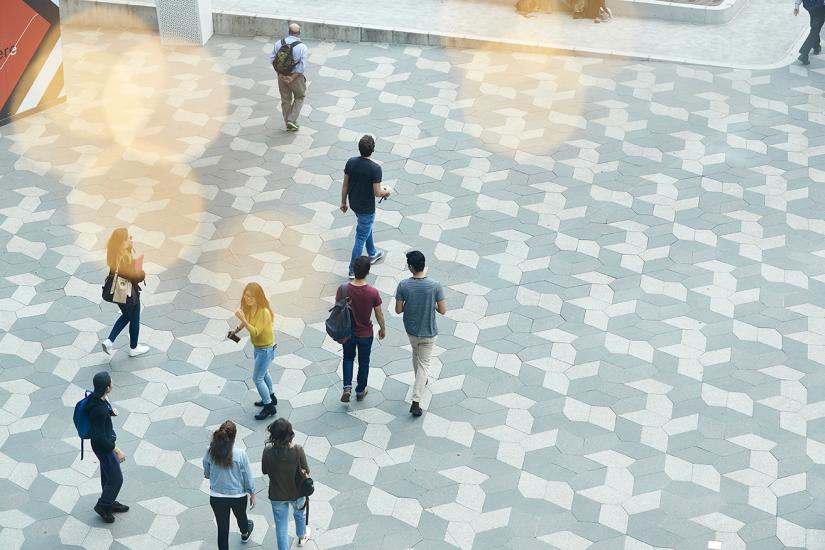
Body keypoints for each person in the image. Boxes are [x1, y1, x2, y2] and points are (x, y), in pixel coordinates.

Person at [394, 251, 447, 417]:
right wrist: (433, 305)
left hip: (411, 330)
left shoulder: (403, 285)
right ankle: (416, 400)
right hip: (428, 331)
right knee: (424, 363)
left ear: (411, 267)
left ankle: (421, 380)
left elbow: (398, 310)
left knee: (416, 355)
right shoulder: (435, 285)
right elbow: (443, 310)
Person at [340, 135, 391, 279]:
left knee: (366, 227)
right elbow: (377, 192)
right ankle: (352, 269)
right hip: (367, 208)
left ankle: (373, 253)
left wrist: (343, 203)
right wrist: (387, 192)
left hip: (354, 203)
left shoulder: (351, 162)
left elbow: (345, 185)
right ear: (373, 150)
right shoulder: (375, 169)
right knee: (360, 236)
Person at [336, 256, 386, 403]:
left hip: (348, 332)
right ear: (368, 272)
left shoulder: (343, 289)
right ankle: (360, 390)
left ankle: (347, 387)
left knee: (348, 358)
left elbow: (338, 309)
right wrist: (383, 329)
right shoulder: (373, 292)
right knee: (364, 362)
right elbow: (379, 314)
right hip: (365, 333)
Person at [203, 421, 256, 550]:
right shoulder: (240, 454)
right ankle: (245, 532)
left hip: (216, 497)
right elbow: (248, 476)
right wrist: (252, 493)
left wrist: (210, 476)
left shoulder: (210, 452)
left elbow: (206, 469)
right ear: (234, 437)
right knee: (241, 517)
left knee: (222, 529)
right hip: (238, 496)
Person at [86, 371, 129, 523]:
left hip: (101, 445)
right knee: (117, 478)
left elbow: (99, 413)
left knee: (108, 474)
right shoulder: (99, 411)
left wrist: (110, 413)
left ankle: (109, 501)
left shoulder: (96, 399)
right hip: (103, 447)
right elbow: (99, 437)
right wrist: (117, 450)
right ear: (107, 388)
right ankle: (103, 506)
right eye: (111, 382)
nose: (112, 384)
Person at [262, 418, 311, 549]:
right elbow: (307, 470)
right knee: (300, 513)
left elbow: (264, 471)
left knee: (281, 526)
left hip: (277, 493)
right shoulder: (298, 450)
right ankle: (302, 536)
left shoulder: (267, 451)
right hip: (297, 492)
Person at [100, 228, 148, 357]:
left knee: (126, 316)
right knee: (135, 318)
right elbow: (134, 277)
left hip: (117, 293)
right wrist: (141, 273)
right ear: (122, 242)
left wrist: (129, 248)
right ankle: (134, 347)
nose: (130, 239)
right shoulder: (125, 258)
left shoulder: (114, 253)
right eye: (128, 238)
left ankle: (109, 341)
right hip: (127, 293)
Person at [233, 282, 278, 420]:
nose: (248, 299)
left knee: (257, 378)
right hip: (258, 348)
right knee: (264, 374)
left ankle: (269, 406)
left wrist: (243, 320)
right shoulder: (250, 308)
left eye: (251, 297)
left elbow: (256, 331)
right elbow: (246, 321)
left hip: (266, 350)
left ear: (258, 297)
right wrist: (236, 331)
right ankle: (270, 396)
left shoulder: (264, 312)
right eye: (246, 296)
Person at [271, 23, 309, 131]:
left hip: (281, 76)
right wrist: (292, 78)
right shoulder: (302, 47)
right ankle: (291, 120)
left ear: (288, 31)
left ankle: (287, 122)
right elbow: (302, 67)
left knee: (285, 100)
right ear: (299, 33)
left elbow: (272, 60)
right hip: (295, 78)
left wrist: (280, 75)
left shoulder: (278, 43)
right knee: (300, 97)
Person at [796, 0, 825, 65]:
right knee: (815, 29)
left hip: (810, 6)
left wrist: (797, 5)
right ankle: (804, 53)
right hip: (821, 7)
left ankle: (816, 46)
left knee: (814, 26)